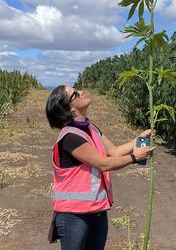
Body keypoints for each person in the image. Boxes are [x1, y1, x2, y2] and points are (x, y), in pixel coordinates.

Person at [45, 85, 155, 250]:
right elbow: (103, 164)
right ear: (69, 108)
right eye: (75, 94)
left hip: (96, 211)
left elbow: (114, 151)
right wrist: (134, 157)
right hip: (73, 216)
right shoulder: (70, 137)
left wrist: (138, 139)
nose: (81, 92)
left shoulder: (91, 128)